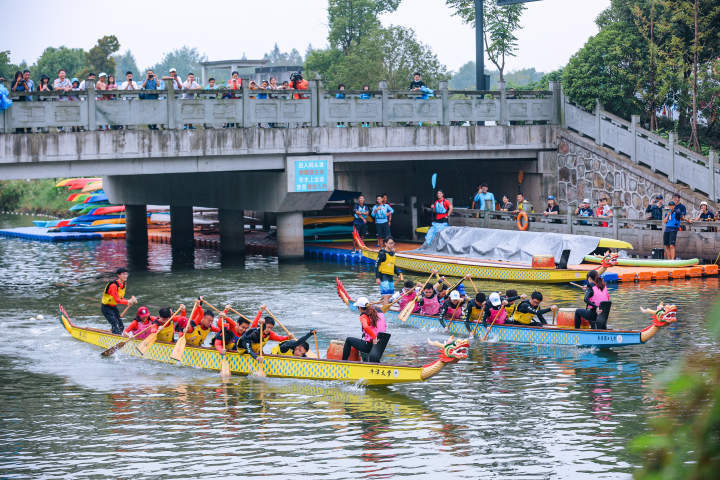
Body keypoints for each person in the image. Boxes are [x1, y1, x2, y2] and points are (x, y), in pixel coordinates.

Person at [101, 267, 137, 334]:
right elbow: (117, 300)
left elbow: (121, 298)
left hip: (113, 307)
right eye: (123, 274)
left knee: (121, 326)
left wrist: (127, 302)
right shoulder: (113, 285)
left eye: (126, 274)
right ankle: (115, 339)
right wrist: (128, 301)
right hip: (106, 307)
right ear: (118, 275)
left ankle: (117, 335)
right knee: (115, 324)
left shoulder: (124, 284)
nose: (125, 276)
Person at [376, 237, 404, 303]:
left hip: (390, 276)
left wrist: (398, 273)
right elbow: (376, 266)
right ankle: (386, 308)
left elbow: (393, 265)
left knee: (390, 294)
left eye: (393, 243)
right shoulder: (382, 253)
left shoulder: (392, 253)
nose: (392, 245)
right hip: (383, 276)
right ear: (385, 244)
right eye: (390, 243)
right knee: (386, 294)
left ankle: (384, 304)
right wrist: (377, 278)